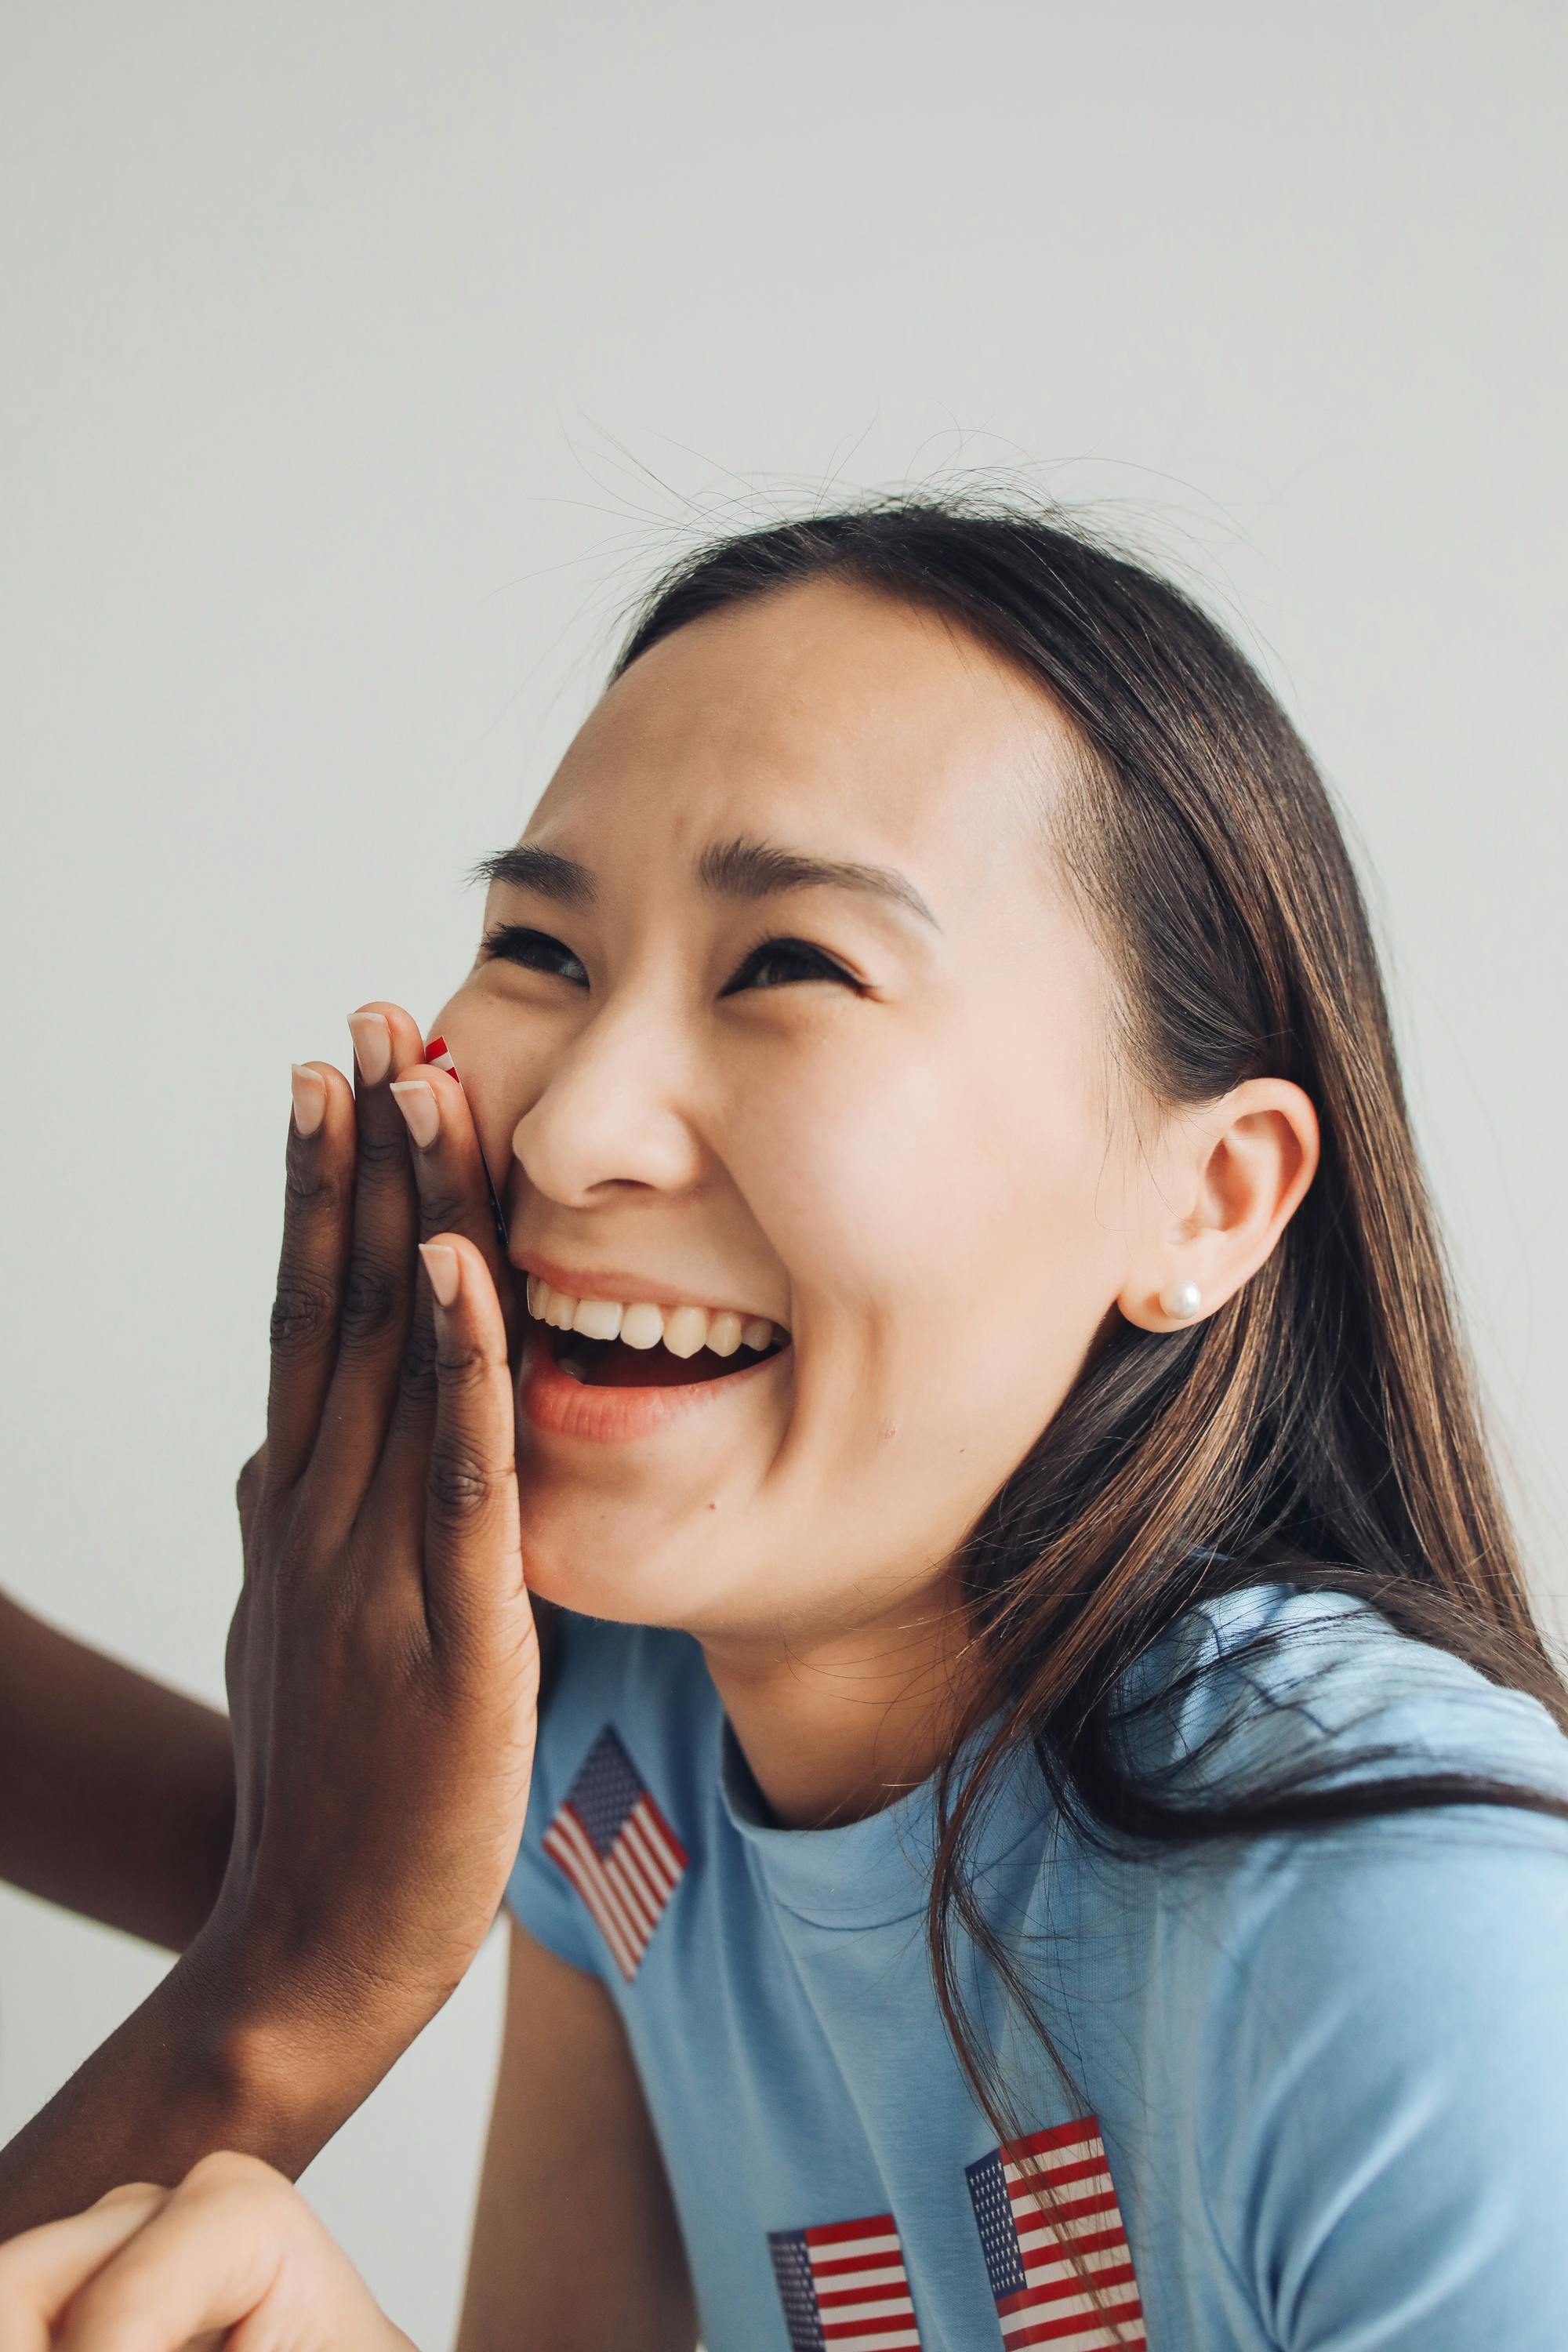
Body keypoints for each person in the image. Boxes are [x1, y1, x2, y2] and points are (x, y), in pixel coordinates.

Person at [5, 492, 1567, 2351]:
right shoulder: (615, 1738)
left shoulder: (1428, 1949)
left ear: (1210, 1199)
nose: (577, 1130)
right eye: (537, 948)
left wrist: (295, 1958)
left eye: (792, 969)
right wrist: (304, 1916)